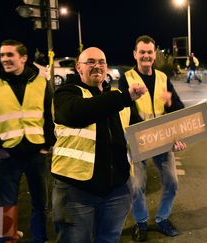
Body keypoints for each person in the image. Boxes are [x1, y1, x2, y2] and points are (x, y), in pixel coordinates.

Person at [51, 47, 147, 243]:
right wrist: (123, 98)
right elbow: (77, 112)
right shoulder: (66, 94)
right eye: (91, 62)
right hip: (76, 191)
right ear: (79, 67)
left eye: (102, 62)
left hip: (117, 190)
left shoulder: (116, 97)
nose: (97, 66)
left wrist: (167, 141)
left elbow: (140, 133)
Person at [0, 39, 55, 243]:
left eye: (10, 55)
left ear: (24, 58)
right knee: (5, 207)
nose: (5, 59)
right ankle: (4, 241)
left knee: (41, 205)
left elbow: (52, 116)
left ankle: (39, 239)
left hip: (37, 155)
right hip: (8, 156)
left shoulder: (41, 83)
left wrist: (48, 144)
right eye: (2, 55)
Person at [118, 35, 186, 242]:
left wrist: (169, 103)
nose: (146, 55)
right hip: (138, 141)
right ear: (135, 54)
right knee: (137, 186)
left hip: (162, 141)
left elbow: (178, 109)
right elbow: (126, 110)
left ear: (154, 54)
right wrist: (146, 130)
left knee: (172, 183)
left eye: (149, 52)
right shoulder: (126, 78)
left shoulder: (163, 78)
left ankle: (162, 218)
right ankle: (141, 222)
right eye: (142, 52)